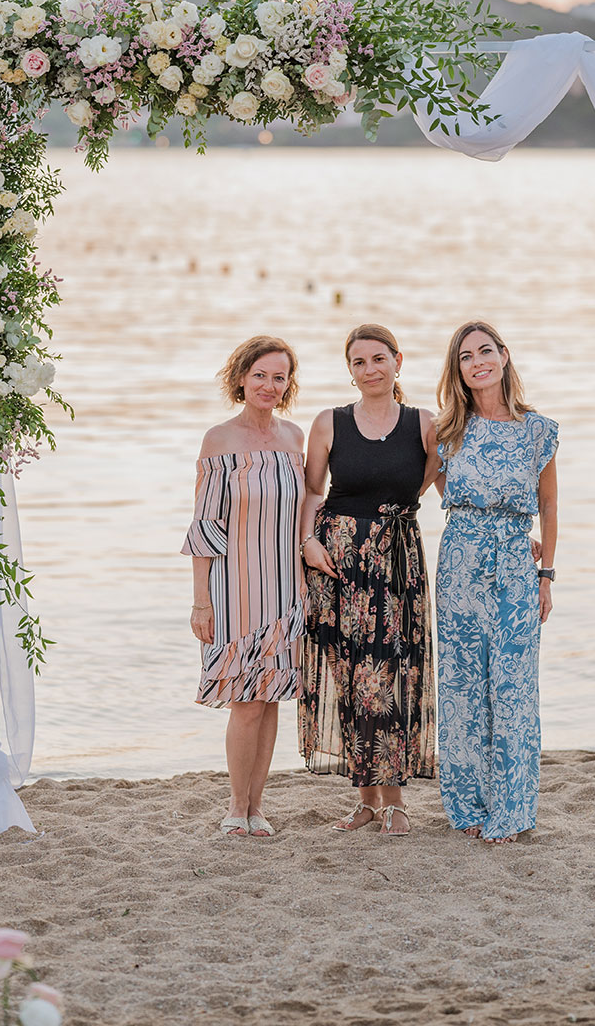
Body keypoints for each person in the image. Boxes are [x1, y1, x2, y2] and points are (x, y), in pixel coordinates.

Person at [299, 324, 438, 835]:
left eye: (379, 358)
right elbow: (313, 492)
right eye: (359, 362)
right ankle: (365, 800)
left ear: (398, 361)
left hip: (397, 563)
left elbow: (448, 486)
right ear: (350, 370)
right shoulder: (329, 422)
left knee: (390, 678)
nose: (370, 370)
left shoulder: (425, 424)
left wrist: (520, 535)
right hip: (337, 563)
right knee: (349, 676)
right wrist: (307, 543)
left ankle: (396, 801)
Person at [434, 320, 558, 844]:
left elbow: (549, 504)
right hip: (458, 566)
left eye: (486, 351)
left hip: (513, 564)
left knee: (512, 687)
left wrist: (546, 571)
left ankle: (511, 811)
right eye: (466, 356)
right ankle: (470, 807)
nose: (477, 361)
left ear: (504, 356)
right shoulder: (445, 431)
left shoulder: (538, 429)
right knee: (462, 686)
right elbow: (435, 487)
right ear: (457, 370)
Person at [182, 336, 305, 838]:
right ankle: (236, 806)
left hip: (286, 589)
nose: (269, 386)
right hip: (234, 591)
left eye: (279, 377)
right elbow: (204, 526)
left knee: (272, 698)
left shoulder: (296, 438)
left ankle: (258, 806)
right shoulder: (218, 441)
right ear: (240, 378)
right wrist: (200, 601)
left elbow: (304, 517)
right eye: (260, 375)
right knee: (245, 703)